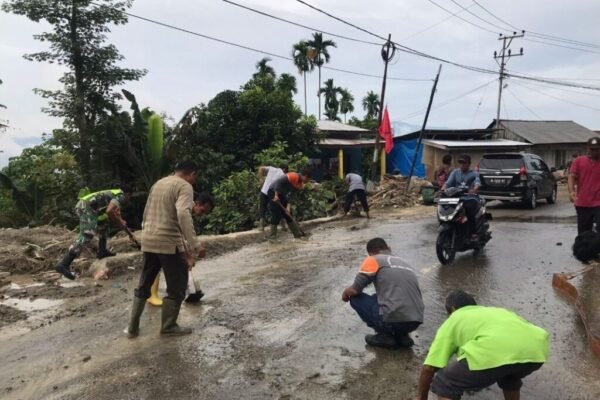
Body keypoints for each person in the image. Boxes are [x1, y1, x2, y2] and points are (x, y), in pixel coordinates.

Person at [417, 290, 549, 400]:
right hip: (536, 350)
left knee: (445, 381)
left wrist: (421, 397)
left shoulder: (454, 319)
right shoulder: (497, 311)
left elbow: (429, 368)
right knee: (508, 372)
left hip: (496, 350)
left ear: (452, 310)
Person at [126, 161, 206, 338]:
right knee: (177, 286)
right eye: (195, 177)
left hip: (149, 239)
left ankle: (132, 328)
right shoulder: (184, 186)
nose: (194, 180)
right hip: (168, 243)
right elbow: (183, 214)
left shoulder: (159, 183)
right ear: (191, 174)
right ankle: (168, 326)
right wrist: (195, 244)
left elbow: (146, 213)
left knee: (145, 283)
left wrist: (146, 234)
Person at [342, 238, 424, 348]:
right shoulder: (404, 262)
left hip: (393, 321)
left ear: (371, 253)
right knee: (378, 297)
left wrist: (345, 293)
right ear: (388, 248)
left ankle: (385, 336)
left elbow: (354, 290)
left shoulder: (373, 259)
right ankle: (402, 336)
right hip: (415, 321)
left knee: (355, 298)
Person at [54, 185, 133, 280]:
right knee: (88, 234)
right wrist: (120, 222)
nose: (128, 200)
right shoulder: (120, 196)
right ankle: (64, 263)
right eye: (129, 197)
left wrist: (121, 221)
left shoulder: (115, 194)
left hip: (90, 207)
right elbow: (109, 211)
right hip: (86, 207)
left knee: (103, 223)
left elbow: (115, 213)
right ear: (127, 194)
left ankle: (102, 250)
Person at [442, 154, 481, 241]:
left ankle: (473, 233)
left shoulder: (474, 173)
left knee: (469, 209)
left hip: (470, 198)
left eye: (464, 163)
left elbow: (477, 184)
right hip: (457, 198)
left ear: (469, 164)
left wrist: (474, 190)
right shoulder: (455, 172)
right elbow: (448, 184)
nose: (462, 165)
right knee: (445, 206)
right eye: (460, 163)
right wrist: (442, 190)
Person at [185, 191, 215, 303]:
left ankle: (186, 291)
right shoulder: (185, 211)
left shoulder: (189, 213)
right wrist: (188, 256)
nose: (202, 214)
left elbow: (185, 235)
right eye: (202, 210)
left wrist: (189, 253)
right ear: (197, 203)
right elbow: (179, 235)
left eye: (205, 213)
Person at [568, 137, 600, 234]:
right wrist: (571, 191)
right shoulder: (579, 161)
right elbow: (571, 176)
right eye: (591, 149)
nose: (593, 152)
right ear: (588, 148)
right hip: (583, 203)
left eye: (596, 149)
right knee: (584, 234)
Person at [267, 169, 312, 238]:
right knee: (276, 214)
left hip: (282, 194)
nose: (307, 181)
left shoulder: (300, 185)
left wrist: (288, 207)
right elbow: (278, 182)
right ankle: (272, 237)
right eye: (307, 179)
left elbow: (292, 196)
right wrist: (276, 195)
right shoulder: (293, 176)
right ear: (304, 176)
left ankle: (297, 234)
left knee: (289, 214)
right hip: (273, 191)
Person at [258, 164, 287, 230]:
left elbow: (260, 168)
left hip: (264, 191)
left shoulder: (272, 168)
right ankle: (283, 225)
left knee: (263, 207)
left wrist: (261, 179)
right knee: (278, 208)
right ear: (284, 169)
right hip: (272, 193)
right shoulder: (283, 175)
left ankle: (261, 226)